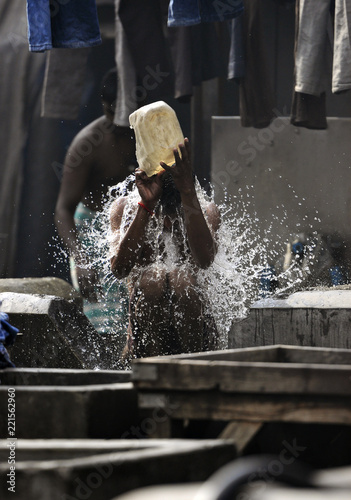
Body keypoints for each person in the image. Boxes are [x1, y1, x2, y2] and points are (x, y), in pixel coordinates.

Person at [110, 138, 221, 359]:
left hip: (196, 339)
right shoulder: (126, 209)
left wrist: (187, 192)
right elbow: (119, 269)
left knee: (182, 278)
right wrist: (147, 207)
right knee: (153, 278)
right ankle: (154, 368)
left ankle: (192, 369)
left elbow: (204, 261)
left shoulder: (206, 211)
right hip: (145, 341)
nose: (168, 222)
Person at [54, 68, 136, 335]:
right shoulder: (88, 144)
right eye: (112, 113)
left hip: (136, 223)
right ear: (104, 107)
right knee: (104, 326)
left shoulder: (146, 133)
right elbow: (63, 209)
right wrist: (82, 260)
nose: (119, 122)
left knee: (140, 316)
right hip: (93, 232)